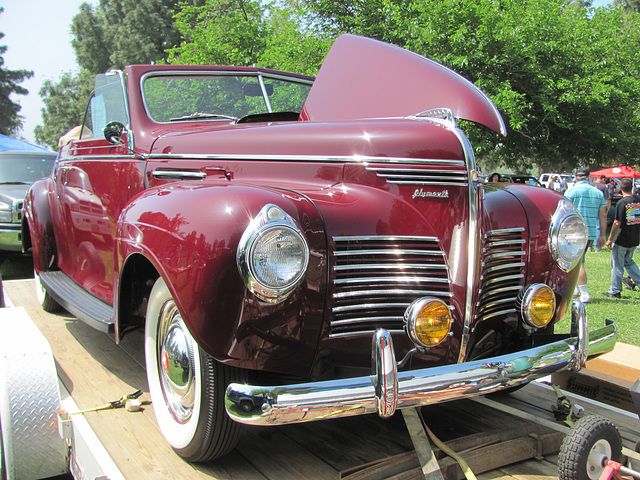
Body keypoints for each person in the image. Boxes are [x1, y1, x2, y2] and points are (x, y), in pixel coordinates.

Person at [564, 167, 607, 303]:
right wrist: (603, 235)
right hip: (591, 232)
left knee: (577, 262)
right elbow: (603, 215)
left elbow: (565, 212)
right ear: (589, 177)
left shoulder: (571, 191)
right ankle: (576, 288)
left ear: (576, 177)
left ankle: (585, 293)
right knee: (578, 260)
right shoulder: (598, 193)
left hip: (573, 231)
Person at [603, 177, 640, 298]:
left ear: (620, 188)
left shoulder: (622, 203)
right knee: (628, 262)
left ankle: (615, 290)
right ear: (632, 187)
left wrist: (610, 238)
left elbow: (617, 223)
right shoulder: (638, 200)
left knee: (617, 264)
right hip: (634, 237)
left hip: (622, 239)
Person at [593, 175, 611, 251]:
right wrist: (606, 210)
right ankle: (597, 246)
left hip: (588, 208)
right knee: (598, 226)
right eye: (605, 180)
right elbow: (608, 201)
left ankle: (589, 246)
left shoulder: (589, 185)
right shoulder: (603, 187)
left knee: (588, 226)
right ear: (602, 179)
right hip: (599, 208)